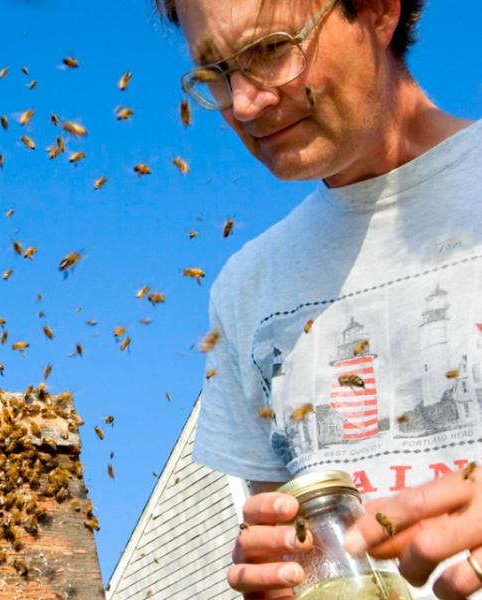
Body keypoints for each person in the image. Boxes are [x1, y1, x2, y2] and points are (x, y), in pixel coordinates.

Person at [156, 0, 481, 597]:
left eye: (272, 49)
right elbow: (299, 548)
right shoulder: (246, 289)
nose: (244, 103)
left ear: (380, 13)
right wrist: (279, 575)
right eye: (217, 73)